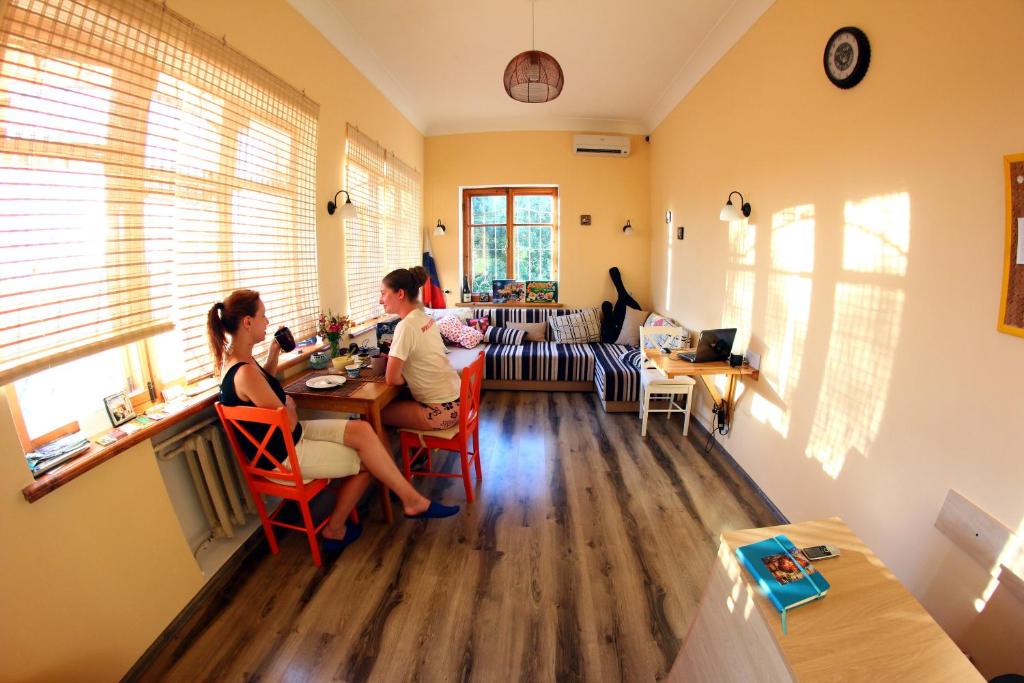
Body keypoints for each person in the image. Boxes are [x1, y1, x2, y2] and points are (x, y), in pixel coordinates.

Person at [207, 290, 459, 554]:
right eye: (263, 315)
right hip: (283, 454)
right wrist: (289, 407)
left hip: (287, 439)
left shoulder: (237, 360)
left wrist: (273, 353)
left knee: (363, 429)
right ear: (247, 322)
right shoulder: (245, 372)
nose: (267, 321)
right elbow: (288, 422)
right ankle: (336, 528)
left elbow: (266, 384)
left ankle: (411, 500)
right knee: (367, 462)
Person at [379, 267, 462, 431]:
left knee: (374, 413)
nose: (381, 300)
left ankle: (387, 457)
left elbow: (392, 379)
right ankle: (417, 453)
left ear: (400, 294)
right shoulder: (425, 318)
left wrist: (409, 376)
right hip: (460, 400)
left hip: (441, 412)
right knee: (401, 398)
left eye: (383, 293)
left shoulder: (405, 326)